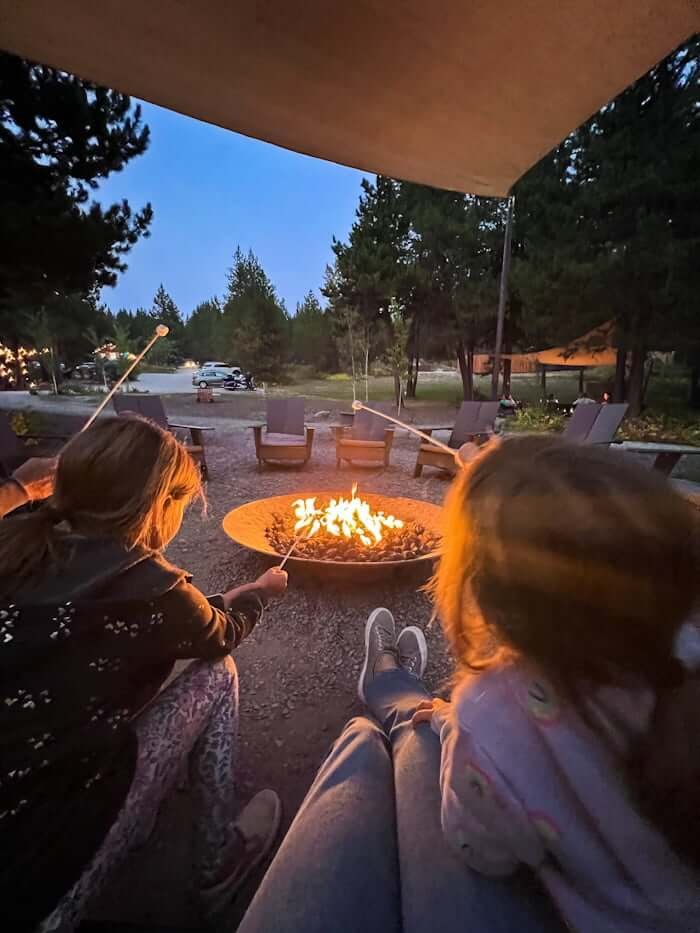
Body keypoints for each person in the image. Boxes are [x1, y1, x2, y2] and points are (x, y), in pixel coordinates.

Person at [240, 436, 700, 933]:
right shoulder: (685, 653)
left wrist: (452, 725)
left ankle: (389, 693)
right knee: (398, 726)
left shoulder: (494, 714)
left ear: (486, 594)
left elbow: (477, 849)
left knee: (365, 740)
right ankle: (392, 687)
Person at [0, 416, 288, 933]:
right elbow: (219, 634)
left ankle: (137, 807)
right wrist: (260, 595)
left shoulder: (13, 540)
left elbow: (187, 620)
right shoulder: (152, 586)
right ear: (160, 505)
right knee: (218, 675)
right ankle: (216, 864)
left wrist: (18, 489)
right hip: (37, 888)